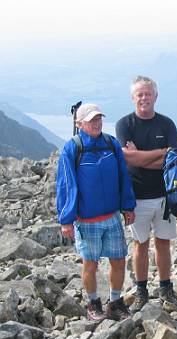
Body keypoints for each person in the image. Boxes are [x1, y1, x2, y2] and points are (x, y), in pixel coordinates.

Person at [115, 75, 177, 313]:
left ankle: (166, 289)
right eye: (140, 94)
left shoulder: (166, 124)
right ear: (132, 97)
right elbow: (127, 159)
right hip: (136, 197)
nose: (144, 98)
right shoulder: (124, 124)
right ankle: (141, 291)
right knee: (140, 244)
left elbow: (173, 159)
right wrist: (160, 154)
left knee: (164, 243)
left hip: (165, 195)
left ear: (156, 96)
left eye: (148, 94)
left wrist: (141, 157)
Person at [56, 103, 136, 321]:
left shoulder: (111, 144)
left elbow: (123, 177)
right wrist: (66, 220)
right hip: (87, 220)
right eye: (91, 119)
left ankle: (116, 303)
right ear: (79, 124)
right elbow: (66, 185)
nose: (97, 122)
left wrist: (128, 206)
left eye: (99, 118)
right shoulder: (73, 148)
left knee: (119, 260)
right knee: (90, 264)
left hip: (111, 217)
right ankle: (93, 303)